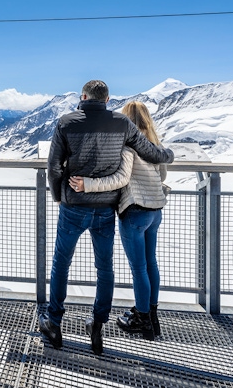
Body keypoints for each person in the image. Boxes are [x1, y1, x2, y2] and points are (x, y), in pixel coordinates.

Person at [41, 81, 173, 355]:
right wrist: (169, 155)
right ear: (108, 99)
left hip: (73, 206)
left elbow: (53, 167)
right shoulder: (122, 123)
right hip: (105, 209)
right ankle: (97, 326)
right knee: (105, 269)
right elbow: (150, 152)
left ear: (84, 97)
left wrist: (59, 196)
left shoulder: (66, 123)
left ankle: (54, 323)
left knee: (61, 264)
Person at [69, 101, 168, 341]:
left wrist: (88, 184)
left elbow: (121, 178)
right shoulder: (155, 144)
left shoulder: (128, 145)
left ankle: (142, 317)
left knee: (139, 268)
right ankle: (152, 317)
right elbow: (162, 174)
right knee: (150, 262)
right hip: (155, 211)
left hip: (134, 211)